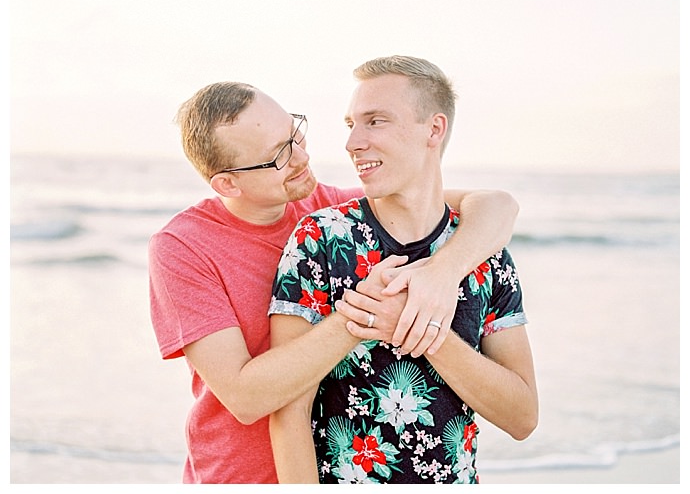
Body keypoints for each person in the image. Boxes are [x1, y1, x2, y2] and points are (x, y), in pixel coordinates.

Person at [148, 80, 519, 483]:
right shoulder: (183, 247)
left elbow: (496, 205)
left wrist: (442, 274)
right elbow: (246, 396)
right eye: (279, 157)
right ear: (227, 184)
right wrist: (360, 315)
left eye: (295, 134)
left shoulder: (329, 210)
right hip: (240, 478)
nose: (301, 158)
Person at [268, 56, 539, 484]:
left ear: (434, 130)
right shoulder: (321, 240)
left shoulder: (483, 256)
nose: (353, 142)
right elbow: (287, 409)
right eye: (350, 124)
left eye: (375, 122)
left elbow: (522, 417)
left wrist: (424, 330)